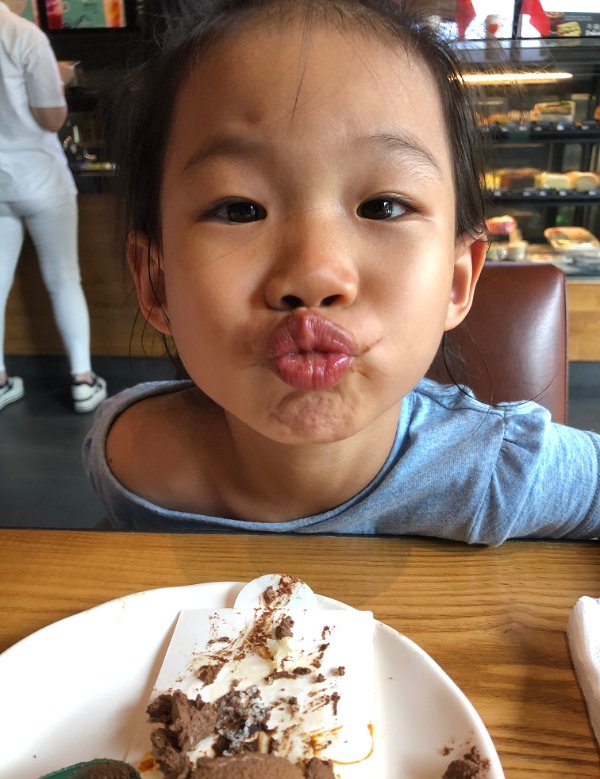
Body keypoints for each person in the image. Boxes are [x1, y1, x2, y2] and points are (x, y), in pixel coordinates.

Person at [83, 0, 600, 540]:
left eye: (383, 207)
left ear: (456, 280)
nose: (314, 275)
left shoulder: (497, 471)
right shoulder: (128, 456)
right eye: (239, 210)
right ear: (157, 282)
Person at [0, 0, 107, 413]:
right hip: (41, 178)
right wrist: (56, 80)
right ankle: (82, 380)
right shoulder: (24, 36)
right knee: (63, 278)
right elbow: (50, 119)